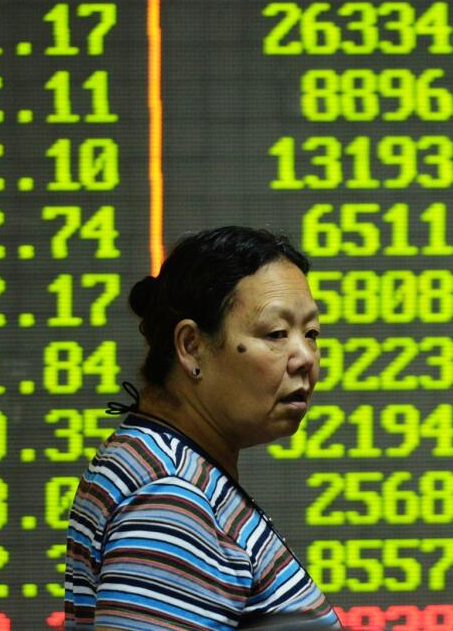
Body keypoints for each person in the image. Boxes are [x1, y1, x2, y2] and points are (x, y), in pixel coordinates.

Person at [64, 227, 342, 630]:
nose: (305, 357)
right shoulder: (171, 498)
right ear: (191, 346)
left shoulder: (165, 466)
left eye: (311, 333)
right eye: (276, 333)